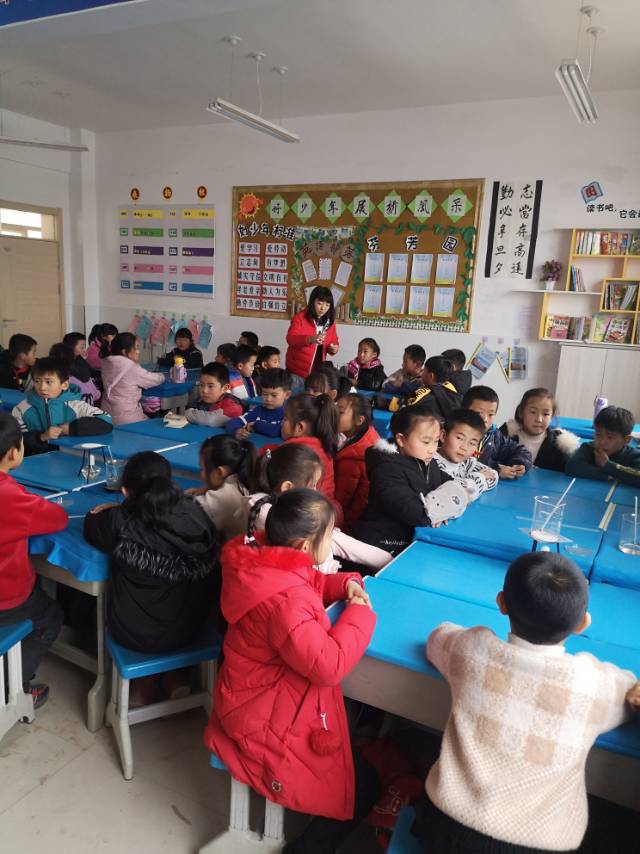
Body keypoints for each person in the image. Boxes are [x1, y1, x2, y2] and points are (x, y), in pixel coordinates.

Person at [414, 551, 640, 854]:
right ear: (582, 624)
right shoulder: (592, 683)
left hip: (444, 826)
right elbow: (629, 689)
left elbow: (437, 637)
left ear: (501, 603)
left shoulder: (472, 649)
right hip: (537, 844)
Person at [204, 488, 379, 854]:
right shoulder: (287, 603)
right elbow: (329, 666)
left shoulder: (263, 563)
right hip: (259, 716)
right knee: (364, 783)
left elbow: (307, 582)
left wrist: (342, 583)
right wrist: (360, 613)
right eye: (329, 536)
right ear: (305, 546)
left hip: (247, 695)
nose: (332, 542)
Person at [83, 451, 218, 653]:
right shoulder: (195, 511)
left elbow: (92, 523)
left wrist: (121, 509)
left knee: (87, 608)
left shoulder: (121, 524)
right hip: (193, 627)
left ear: (125, 491)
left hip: (137, 635)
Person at [0, 413, 67, 709]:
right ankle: (13, 689)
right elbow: (57, 518)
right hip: (6, 596)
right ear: (14, 452)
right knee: (49, 616)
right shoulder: (9, 495)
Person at [245, 443, 392, 576]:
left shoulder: (282, 509)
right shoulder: (265, 513)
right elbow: (335, 541)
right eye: (312, 486)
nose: (315, 492)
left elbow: (337, 540)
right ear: (287, 487)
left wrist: (388, 561)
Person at [353, 407, 468, 555]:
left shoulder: (426, 461)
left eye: (435, 442)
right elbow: (418, 513)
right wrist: (444, 509)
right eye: (426, 442)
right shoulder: (386, 470)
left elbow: (455, 485)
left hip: (411, 539)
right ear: (401, 439)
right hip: (382, 545)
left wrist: (442, 509)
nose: (432, 449)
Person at [12, 357, 112, 456]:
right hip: (33, 461)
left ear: (64, 385)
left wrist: (71, 429)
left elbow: (106, 420)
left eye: (48, 382)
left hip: (68, 459)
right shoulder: (21, 409)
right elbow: (14, 441)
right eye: (37, 381)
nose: (42, 387)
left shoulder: (75, 405)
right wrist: (41, 437)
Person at [188, 434, 257, 542]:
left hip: (232, 550)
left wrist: (185, 496)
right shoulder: (245, 482)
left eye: (202, 469)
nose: (201, 474)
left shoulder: (221, 497)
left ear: (219, 472)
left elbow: (183, 515)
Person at [273, 392, 338, 499]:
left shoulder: (295, 452)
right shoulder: (322, 444)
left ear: (300, 427)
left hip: (305, 507)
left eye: (285, 419)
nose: (281, 423)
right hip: (324, 505)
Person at [501, 388, 580, 472]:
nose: (539, 419)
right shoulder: (505, 435)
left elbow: (570, 471)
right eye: (533, 412)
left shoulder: (559, 445)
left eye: (545, 414)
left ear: (552, 416)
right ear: (521, 412)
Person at [462, 385, 532, 480]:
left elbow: (521, 451)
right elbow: (460, 462)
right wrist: (496, 469)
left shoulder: (494, 436)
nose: (485, 419)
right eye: (478, 413)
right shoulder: (455, 434)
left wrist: (518, 464)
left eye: (490, 414)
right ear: (464, 411)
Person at [335, 394, 380, 530]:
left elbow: (341, 499)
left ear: (359, 420)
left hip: (346, 523)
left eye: (340, 412)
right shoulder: (365, 436)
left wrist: (340, 526)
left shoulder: (354, 459)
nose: (333, 414)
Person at [100, 332, 165, 425]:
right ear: (124, 351)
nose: (138, 351)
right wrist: (162, 375)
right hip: (127, 417)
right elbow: (154, 379)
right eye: (136, 347)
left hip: (107, 415)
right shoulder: (131, 367)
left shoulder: (106, 363)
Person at [566, 405, 640, 485]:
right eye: (598, 434)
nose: (602, 442)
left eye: (610, 437)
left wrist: (607, 465)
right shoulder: (589, 448)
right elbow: (571, 466)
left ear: (626, 440)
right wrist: (609, 475)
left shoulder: (635, 455)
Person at [434, 409, 497, 500]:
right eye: (459, 438)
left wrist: (470, 485)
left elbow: (493, 475)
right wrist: (479, 478)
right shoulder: (432, 463)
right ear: (443, 436)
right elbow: (451, 493)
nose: (464, 447)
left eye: (472, 443)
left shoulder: (467, 462)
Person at [285, 285, 339, 380]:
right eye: (319, 303)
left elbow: (334, 341)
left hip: (318, 370)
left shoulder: (330, 322)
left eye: (327, 305)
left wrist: (334, 348)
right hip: (297, 371)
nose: (323, 308)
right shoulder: (300, 318)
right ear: (312, 301)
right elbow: (290, 339)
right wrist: (310, 339)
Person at [226, 367, 290, 439]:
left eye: (274, 395)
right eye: (264, 394)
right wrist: (236, 431)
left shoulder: (288, 415)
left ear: (287, 395)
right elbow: (232, 422)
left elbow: (276, 431)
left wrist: (256, 425)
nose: (268, 399)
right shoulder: (257, 411)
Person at [184, 362, 243, 428]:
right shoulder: (200, 401)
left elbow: (210, 420)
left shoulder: (233, 405)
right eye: (201, 385)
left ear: (225, 388)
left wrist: (188, 413)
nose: (204, 390)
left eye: (210, 386)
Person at [406, 355, 462, 422]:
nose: (421, 373)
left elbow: (405, 411)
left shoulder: (420, 397)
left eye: (424, 371)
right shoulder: (452, 389)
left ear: (431, 375)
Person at [379, 344, 426, 408]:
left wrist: (401, 386)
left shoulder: (423, 380)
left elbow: (415, 399)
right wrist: (394, 386)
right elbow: (384, 384)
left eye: (405, 361)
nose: (402, 364)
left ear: (417, 364)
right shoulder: (401, 373)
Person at [62, 332, 101, 404]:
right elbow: (85, 377)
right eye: (82, 347)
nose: (84, 349)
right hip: (80, 400)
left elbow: (91, 371)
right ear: (71, 346)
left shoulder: (78, 358)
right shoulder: (68, 362)